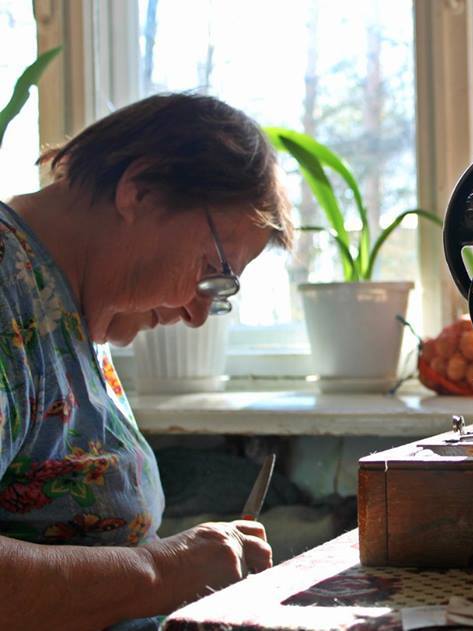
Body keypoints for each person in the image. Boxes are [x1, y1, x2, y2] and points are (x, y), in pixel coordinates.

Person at [0, 93, 295, 629]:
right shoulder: (6, 287)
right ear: (141, 190)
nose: (199, 313)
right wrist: (159, 572)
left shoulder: (73, 312)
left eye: (221, 287)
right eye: (213, 268)